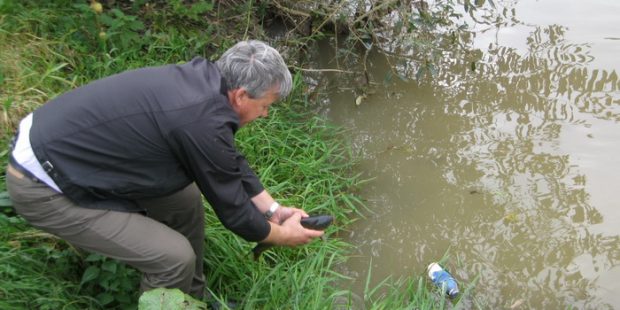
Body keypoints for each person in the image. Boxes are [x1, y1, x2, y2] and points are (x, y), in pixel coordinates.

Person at [5, 40, 324, 300]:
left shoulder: (206, 83)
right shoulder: (200, 118)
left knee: (184, 199)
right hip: (42, 185)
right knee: (173, 258)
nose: (266, 114)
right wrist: (283, 235)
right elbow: (236, 216)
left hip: (60, 147)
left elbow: (227, 161)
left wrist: (274, 210)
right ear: (241, 95)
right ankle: (170, 291)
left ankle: (191, 299)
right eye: (266, 105)